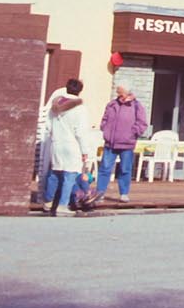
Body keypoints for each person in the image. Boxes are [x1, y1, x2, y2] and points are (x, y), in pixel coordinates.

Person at [41, 79, 93, 216]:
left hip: (56, 143)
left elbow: (47, 125)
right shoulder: (80, 109)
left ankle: (48, 201)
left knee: (55, 173)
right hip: (72, 145)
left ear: (66, 88)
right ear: (80, 90)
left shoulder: (55, 105)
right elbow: (81, 132)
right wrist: (85, 151)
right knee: (69, 176)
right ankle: (63, 205)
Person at [96, 83, 149, 204]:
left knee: (125, 169)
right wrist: (105, 128)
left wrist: (133, 133)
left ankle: (124, 193)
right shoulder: (112, 104)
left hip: (127, 143)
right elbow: (105, 119)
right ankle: (100, 193)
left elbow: (142, 123)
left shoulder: (136, 106)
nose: (119, 95)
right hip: (110, 143)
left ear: (128, 93)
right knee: (105, 168)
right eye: (118, 93)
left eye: (121, 92)